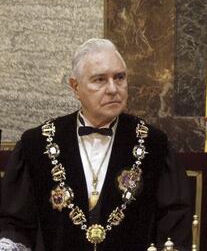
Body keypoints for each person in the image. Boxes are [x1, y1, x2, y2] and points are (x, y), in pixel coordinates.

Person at [0, 38, 192, 250]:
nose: (113, 89)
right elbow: (14, 225)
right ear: (75, 87)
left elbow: (174, 226)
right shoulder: (36, 144)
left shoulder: (154, 145)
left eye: (119, 78)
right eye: (99, 80)